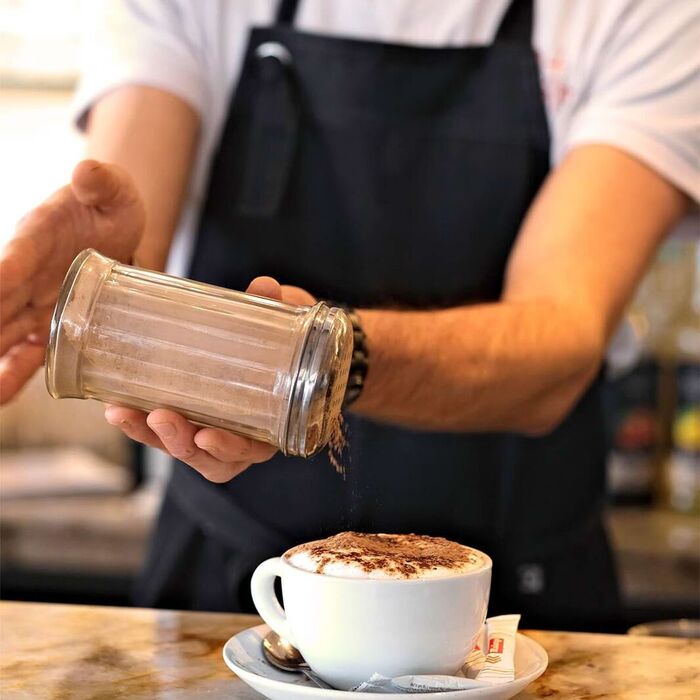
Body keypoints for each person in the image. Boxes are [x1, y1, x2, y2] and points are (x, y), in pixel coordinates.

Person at [1, 0, 697, 629]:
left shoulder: (638, 13)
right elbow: (124, 236)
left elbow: (558, 340)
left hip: (512, 603)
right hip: (232, 586)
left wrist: (313, 362)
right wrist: (93, 288)